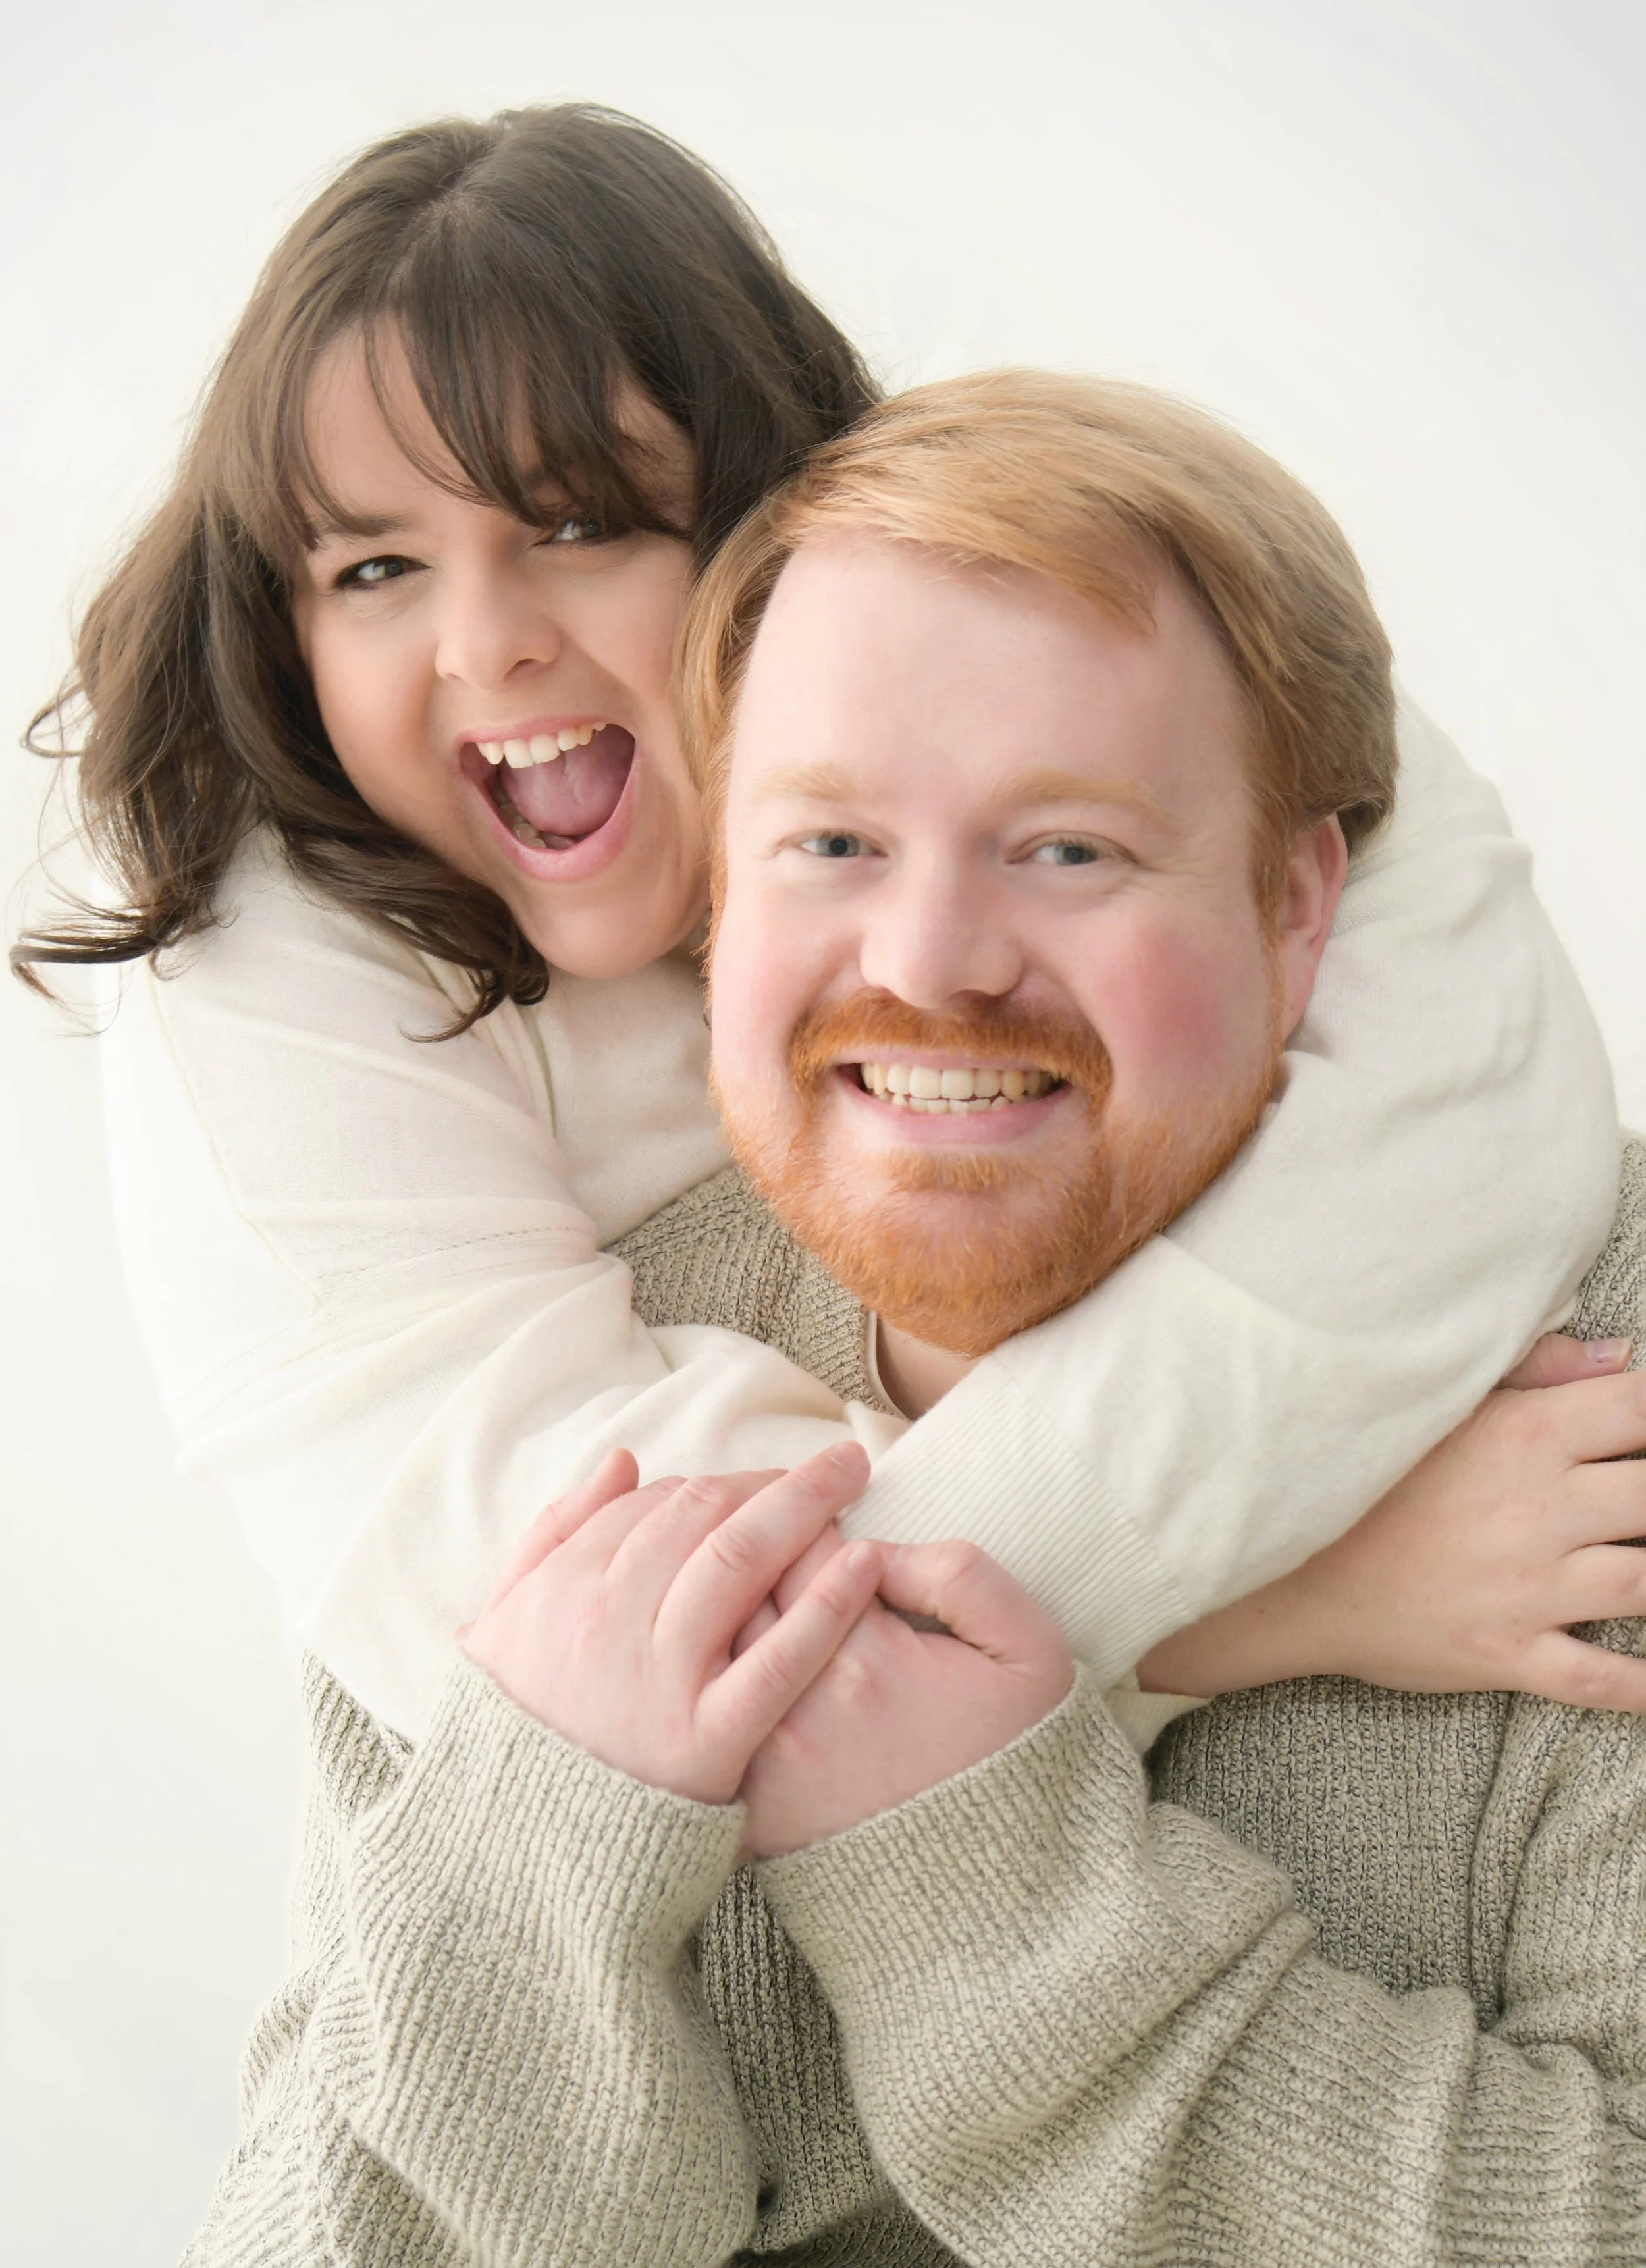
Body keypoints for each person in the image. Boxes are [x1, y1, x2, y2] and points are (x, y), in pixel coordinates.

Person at [181, 373, 1646, 2265]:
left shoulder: (1597, 1369)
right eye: (830, 845)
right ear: (718, 891)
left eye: (1068, 848)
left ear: (1298, 906)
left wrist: (996, 1903)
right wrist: (544, 1855)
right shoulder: (551, 1423)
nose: (929, 960)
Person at [12, 106, 1624, 1752]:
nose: (484, 644)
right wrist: (1286, 1592)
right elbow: (546, 1645)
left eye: (576, 525)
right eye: (373, 569)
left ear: (764, 515)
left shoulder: (1006, 601)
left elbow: (1474, 1085)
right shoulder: (255, 974)